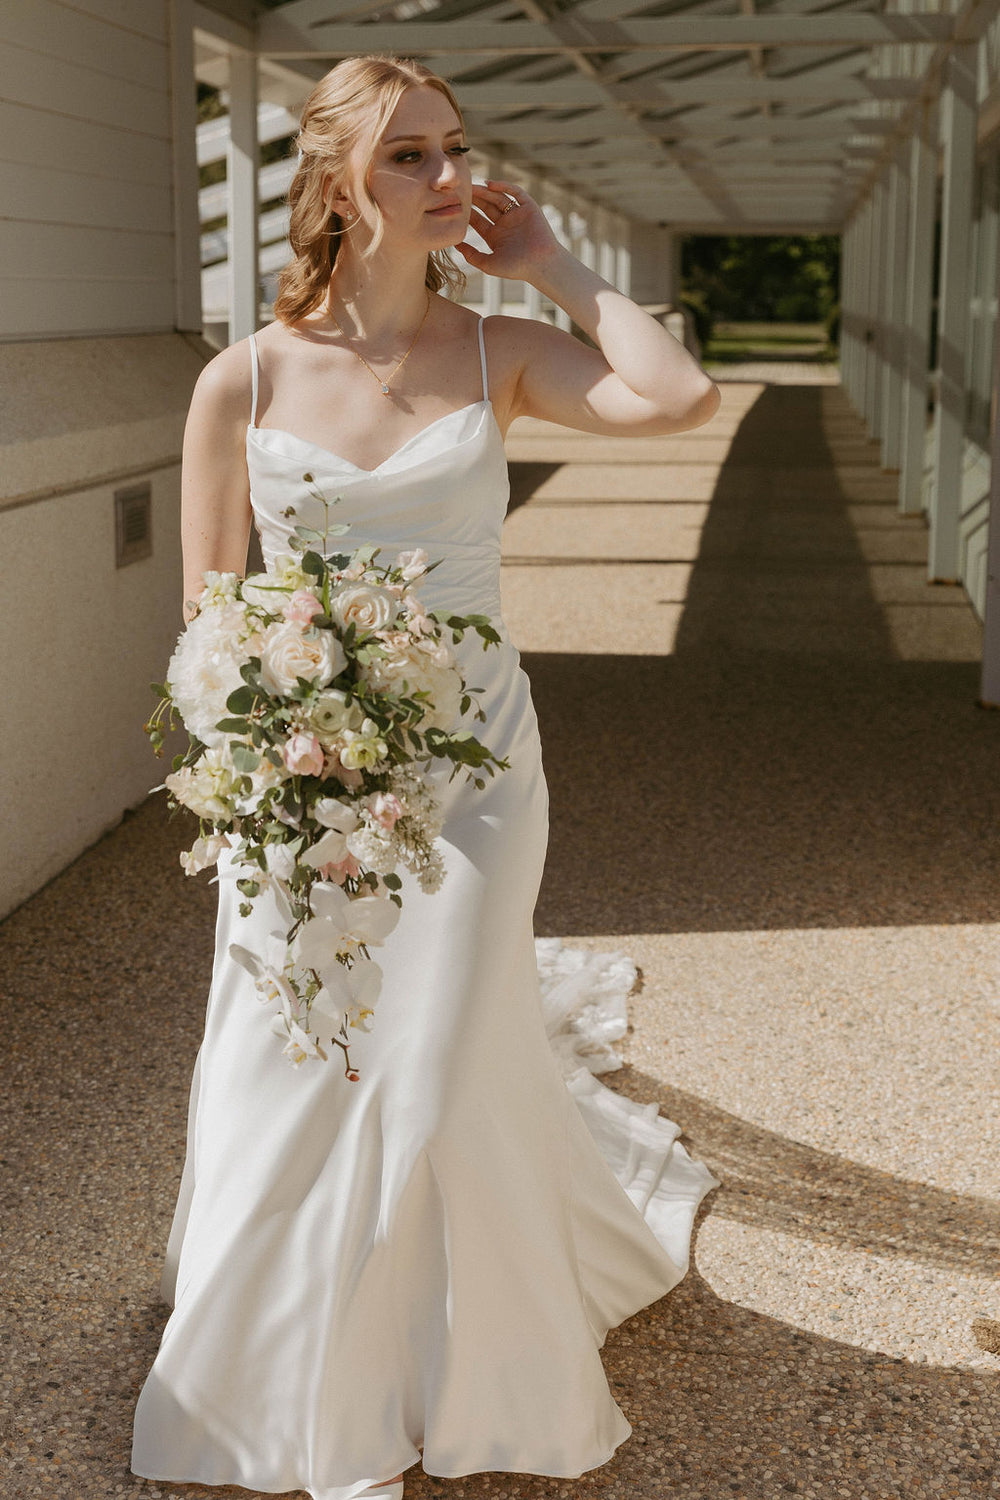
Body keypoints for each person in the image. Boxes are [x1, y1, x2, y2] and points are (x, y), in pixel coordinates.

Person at [131, 53, 721, 1500]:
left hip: (478, 769)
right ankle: (281, 1378)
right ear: (336, 179)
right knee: (295, 1060)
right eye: (409, 156)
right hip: (300, 771)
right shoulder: (244, 379)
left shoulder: (495, 350)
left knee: (439, 1051)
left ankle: (462, 1373)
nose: (448, 177)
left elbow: (679, 394)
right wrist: (266, 754)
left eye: (454, 149)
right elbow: (212, 612)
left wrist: (560, 265)